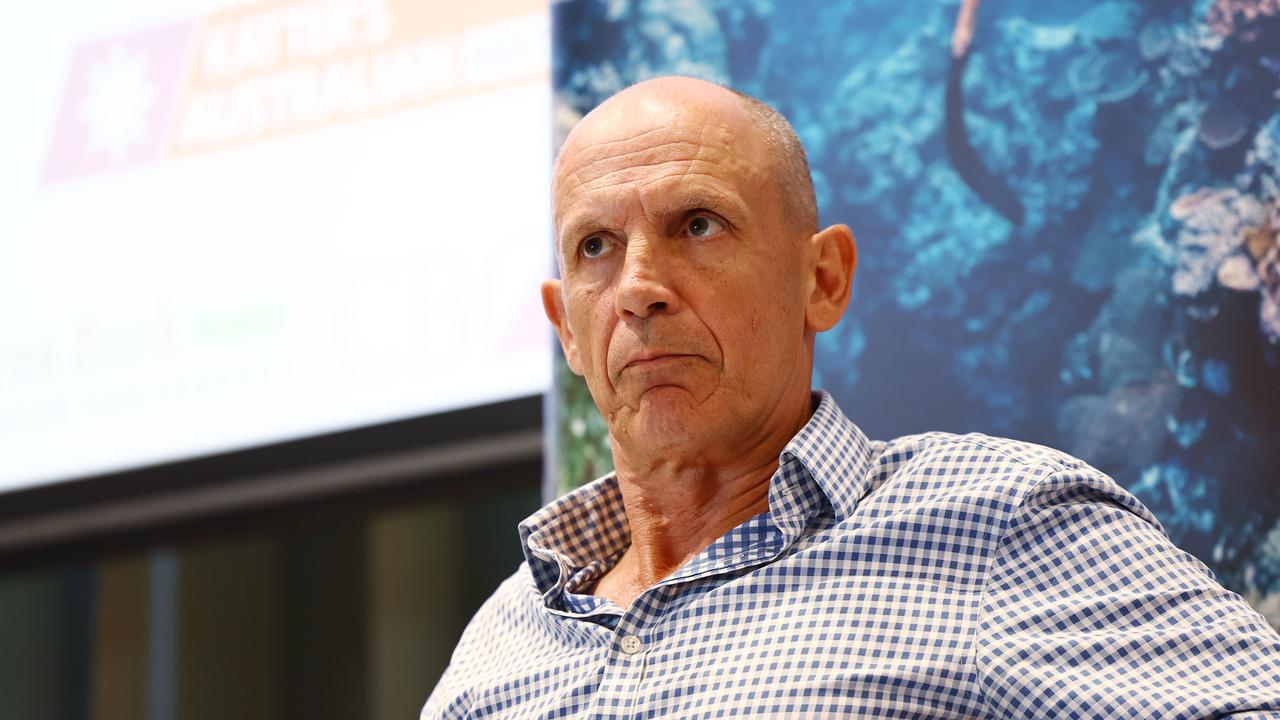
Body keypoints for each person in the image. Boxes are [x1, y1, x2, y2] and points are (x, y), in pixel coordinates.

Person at [423, 77, 1280, 718]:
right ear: (566, 329)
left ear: (822, 279)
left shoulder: (996, 523)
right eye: (597, 246)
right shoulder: (496, 652)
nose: (639, 286)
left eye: (697, 225)